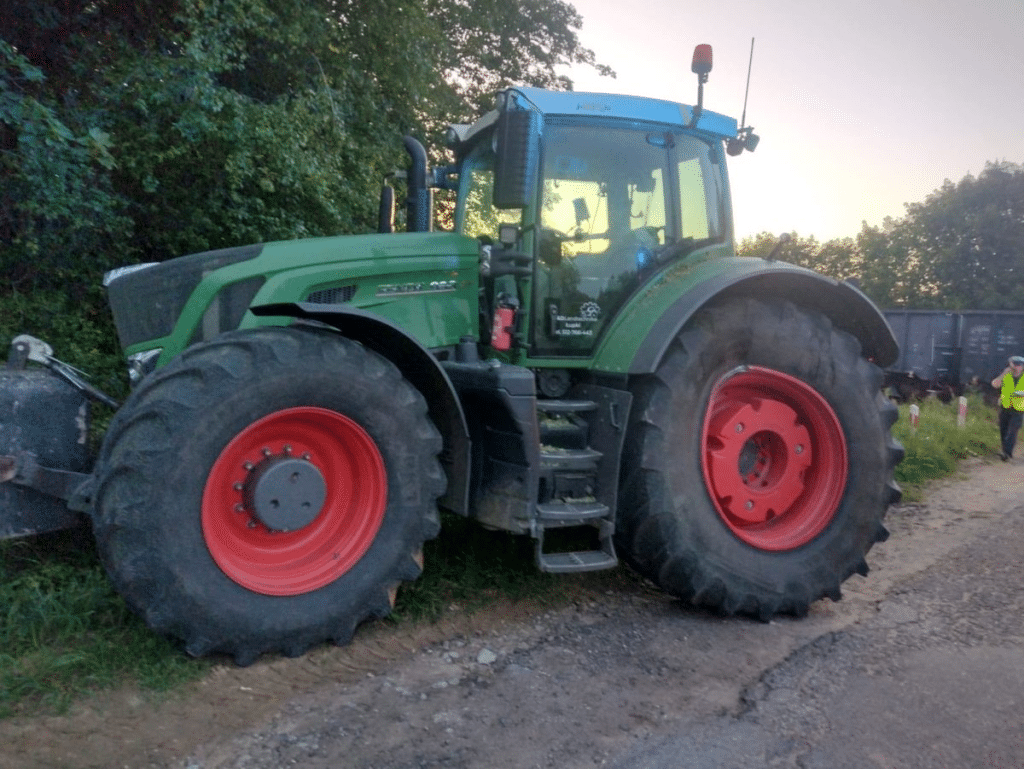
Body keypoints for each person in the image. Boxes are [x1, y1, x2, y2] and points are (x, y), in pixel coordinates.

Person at [991, 355, 1024, 460]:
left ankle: (1006, 453)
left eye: (1020, 365)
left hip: (1018, 409)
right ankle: (1006, 451)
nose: (1017, 367)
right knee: (1003, 431)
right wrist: (1004, 373)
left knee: (1012, 432)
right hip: (1005, 408)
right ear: (1010, 365)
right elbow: (995, 384)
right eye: (1015, 364)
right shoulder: (1006, 375)